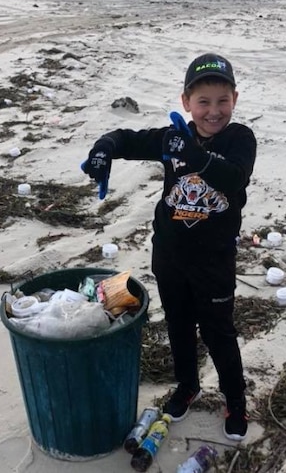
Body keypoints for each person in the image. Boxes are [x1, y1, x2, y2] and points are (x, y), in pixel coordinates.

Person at [82, 53, 256, 441]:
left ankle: (236, 402)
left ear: (235, 99)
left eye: (222, 101)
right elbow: (127, 139)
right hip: (170, 256)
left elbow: (234, 177)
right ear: (186, 103)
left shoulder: (240, 138)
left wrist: (194, 155)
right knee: (178, 325)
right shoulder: (172, 137)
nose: (213, 111)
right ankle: (187, 386)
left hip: (213, 263)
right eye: (203, 102)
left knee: (218, 334)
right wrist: (103, 148)